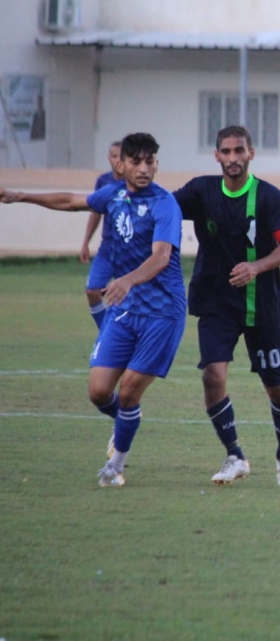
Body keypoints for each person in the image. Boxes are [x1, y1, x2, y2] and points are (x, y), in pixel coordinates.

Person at [0, 132, 187, 488]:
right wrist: (19, 195)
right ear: (122, 164)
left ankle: (115, 466)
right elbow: (72, 201)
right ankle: (127, 420)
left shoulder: (165, 204)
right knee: (99, 392)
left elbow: (162, 256)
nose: (145, 168)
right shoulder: (113, 194)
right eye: (137, 161)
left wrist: (128, 280)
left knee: (130, 391)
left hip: (162, 312)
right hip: (126, 308)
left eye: (151, 161)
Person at [173, 125, 280, 487]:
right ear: (216, 156)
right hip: (215, 302)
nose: (232, 158)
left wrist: (256, 267)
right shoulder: (201, 191)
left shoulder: (270, 197)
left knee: (276, 386)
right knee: (212, 376)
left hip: (263, 307)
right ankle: (235, 455)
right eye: (225, 152)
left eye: (239, 151)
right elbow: (164, 208)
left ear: (251, 153)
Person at [80, 141, 123, 329]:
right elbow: (95, 211)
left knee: (126, 296)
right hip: (107, 248)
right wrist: (86, 242)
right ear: (109, 158)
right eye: (114, 156)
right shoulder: (103, 181)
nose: (118, 160)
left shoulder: (137, 184)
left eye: (122, 156)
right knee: (92, 290)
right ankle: (106, 332)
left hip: (130, 249)